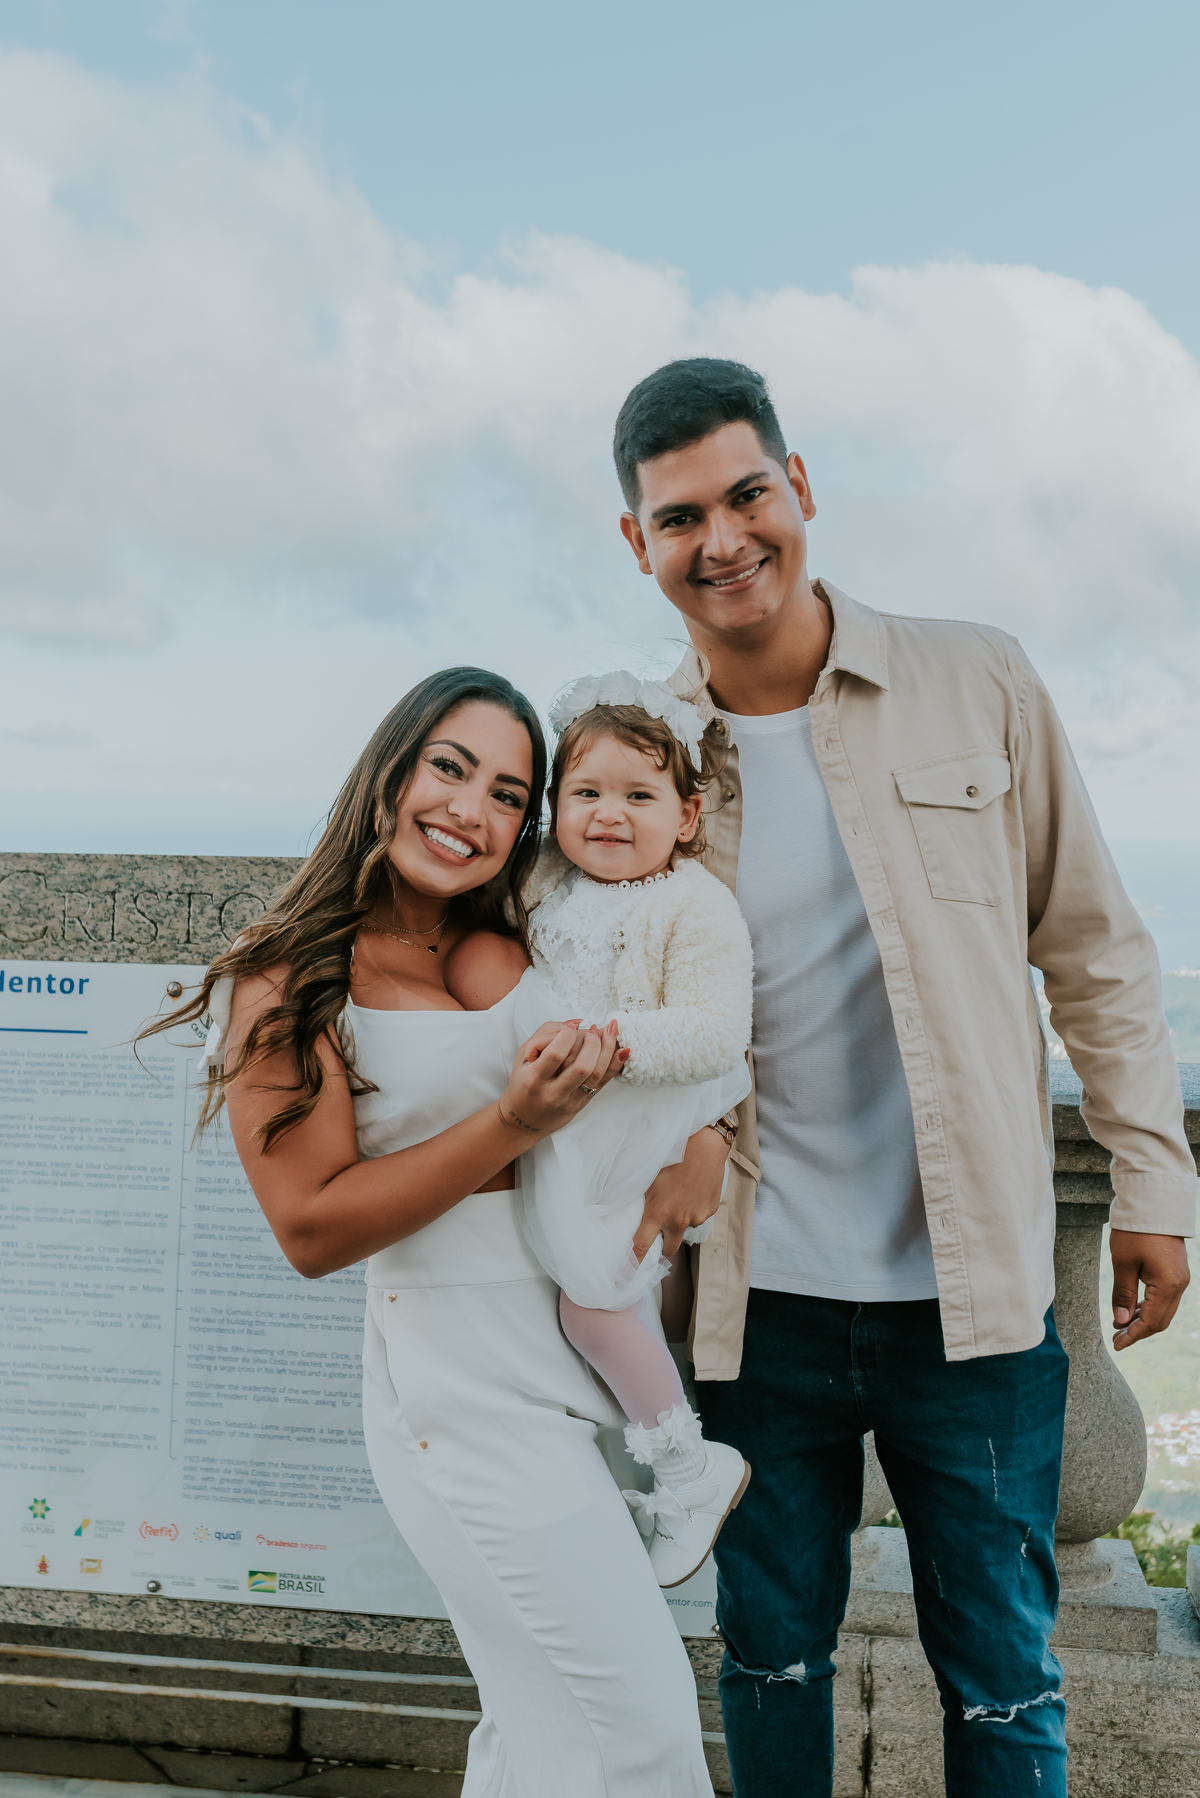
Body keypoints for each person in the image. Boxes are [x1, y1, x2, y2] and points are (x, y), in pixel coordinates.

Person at [611, 358, 1195, 1798]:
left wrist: (1153, 1177)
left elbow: (1099, 948)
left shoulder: (976, 674)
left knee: (1005, 1685)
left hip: (979, 1295)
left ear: (799, 487)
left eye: (749, 493)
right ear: (640, 544)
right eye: (681, 516)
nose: (725, 537)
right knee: (767, 1661)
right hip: (752, 1310)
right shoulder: (636, 751)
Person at [141, 667, 717, 1798]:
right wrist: (513, 1118)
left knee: (543, 1728)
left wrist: (709, 1130)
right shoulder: (289, 976)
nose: (471, 809)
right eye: (450, 768)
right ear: (391, 772)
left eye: (509, 792)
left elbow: (633, 1053)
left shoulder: (512, 945)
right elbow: (310, 1226)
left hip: (572, 1353)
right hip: (453, 1379)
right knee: (642, 1730)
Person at [460, 670, 754, 1587]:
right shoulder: (549, 878)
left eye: (639, 795)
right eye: (584, 793)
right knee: (563, 1295)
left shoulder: (692, 904)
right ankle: (640, 1473)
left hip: (636, 1116)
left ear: (688, 815)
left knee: (594, 1294)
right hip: (571, 1120)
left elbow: (714, 1031)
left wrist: (605, 1041)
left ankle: (688, 1468)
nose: (609, 815)